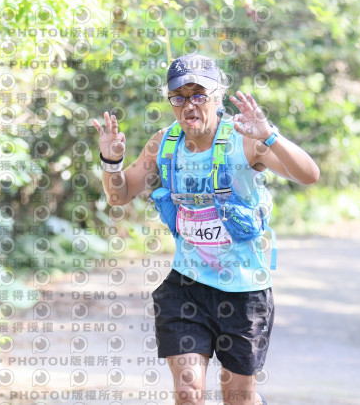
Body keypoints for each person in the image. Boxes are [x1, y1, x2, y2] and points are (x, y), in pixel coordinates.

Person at [92, 54, 319, 405]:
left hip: (244, 290)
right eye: (179, 97)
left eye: (199, 95)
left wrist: (270, 136)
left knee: (238, 399)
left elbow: (309, 175)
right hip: (187, 287)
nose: (189, 106)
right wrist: (111, 161)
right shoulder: (163, 143)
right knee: (188, 393)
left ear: (218, 96)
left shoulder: (246, 140)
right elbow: (119, 195)